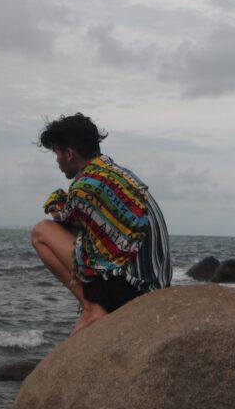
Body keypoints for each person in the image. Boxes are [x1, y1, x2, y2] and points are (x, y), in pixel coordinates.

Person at [32, 113, 171, 335]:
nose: (56, 160)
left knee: (41, 232)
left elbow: (62, 217)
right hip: (155, 284)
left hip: (134, 290)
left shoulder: (87, 185)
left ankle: (91, 308)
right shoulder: (118, 174)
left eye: (56, 153)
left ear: (69, 154)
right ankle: (93, 305)